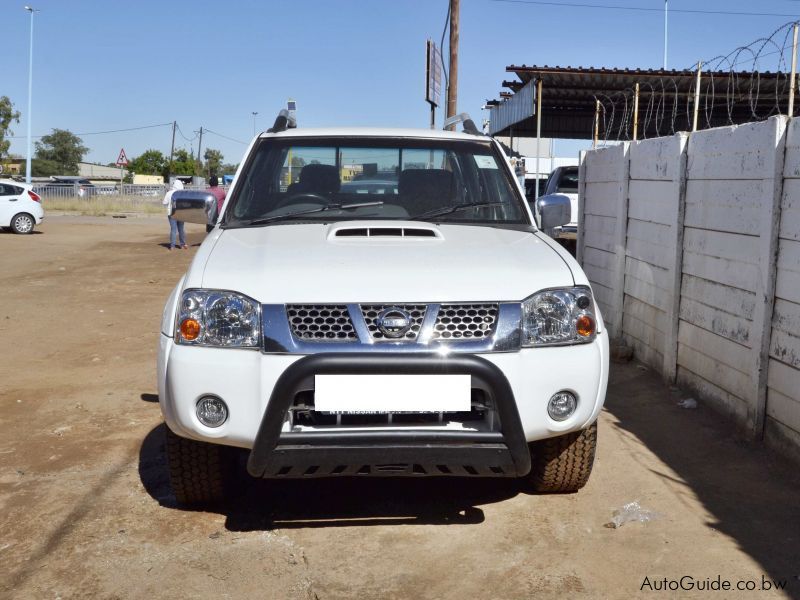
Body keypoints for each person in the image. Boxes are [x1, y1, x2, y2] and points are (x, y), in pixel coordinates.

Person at [162, 179, 187, 250]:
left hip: (171, 213)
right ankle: (182, 244)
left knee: (173, 229)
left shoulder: (169, 193)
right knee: (181, 229)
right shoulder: (183, 193)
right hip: (181, 213)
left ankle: (172, 246)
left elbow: (164, 203)